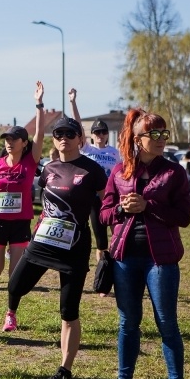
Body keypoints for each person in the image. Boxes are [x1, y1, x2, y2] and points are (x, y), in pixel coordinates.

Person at [98, 108, 190, 379]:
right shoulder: (120, 171)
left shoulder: (173, 172)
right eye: (155, 134)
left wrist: (147, 206)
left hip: (160, 260)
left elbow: (184, 217)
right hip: (125, 258)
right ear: (138, 139)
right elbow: (104, 214)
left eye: (165, 133)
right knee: (128, 322)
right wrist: (124, 210)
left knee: (167, 323)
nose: (162, 139)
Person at [5, 116, 106, 379]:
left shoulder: (92, 170)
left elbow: (103, 208)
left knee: (68, 311)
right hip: (44, 241)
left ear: (80, 139)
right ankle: (11, 313)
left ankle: (65, 370)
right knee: (14, 285)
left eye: (69, 134)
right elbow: (44, 204)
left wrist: (104, 246)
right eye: (59, 133)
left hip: (75, 247)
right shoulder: (49, 169)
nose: (64, 138)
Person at [0, 83, 45, 287]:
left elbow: (40, 134)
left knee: (15, 275)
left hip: (20, 222)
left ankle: (11, 311)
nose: (9, 142)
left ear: (24, 143)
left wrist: (39, 104)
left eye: (14, 139)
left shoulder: (30, 161)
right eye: (7, 139)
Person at [69, 88, 120, 262]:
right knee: (100, 240)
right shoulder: (86, 149)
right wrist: (73, 102)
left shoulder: (115, 153)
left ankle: (117, 264)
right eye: (97, 132)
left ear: (107, 135)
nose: (100, 135)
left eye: (103, 132)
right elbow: (77, 126)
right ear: (91, 135)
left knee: (117, 233)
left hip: (111, 197)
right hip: (92, 199)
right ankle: (102, 270)